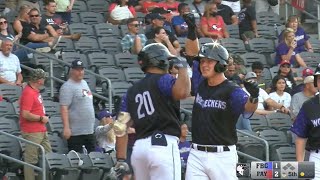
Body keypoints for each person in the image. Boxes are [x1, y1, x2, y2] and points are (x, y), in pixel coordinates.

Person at [185, 41, 258, 179]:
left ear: (220, 65)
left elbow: (247, 110)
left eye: (209, 61)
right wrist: (192, 32)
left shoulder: (232, 89)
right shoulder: (201, 81)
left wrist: (254, 96)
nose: (204, 65)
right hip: (196, 154)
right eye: (202, 62)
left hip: (222, 156)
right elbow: (191, 53)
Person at [20, 68, 51, 180]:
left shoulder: (35, 91)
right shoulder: (28, 93)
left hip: (41, 130)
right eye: (43, 77)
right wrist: (41, 118)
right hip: (32, 131)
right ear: (38, 80)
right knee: (30, 161)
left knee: (48, 157)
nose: (45, 79)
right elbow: (25, 114)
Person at [291, 63, 320, 179]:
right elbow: (301, 137)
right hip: (317, 158)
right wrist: (300, 165)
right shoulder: (309, 105)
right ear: (316, 82)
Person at [60, 60, 96, 153]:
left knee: (93, 156)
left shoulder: (84, 83)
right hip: (76, 131)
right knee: (77, 158)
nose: (80, 72)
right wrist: (66, 127)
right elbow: (64, 108)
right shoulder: (67, 87)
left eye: (82, 69)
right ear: (72, 70)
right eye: (77, 70)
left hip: (89, 129)